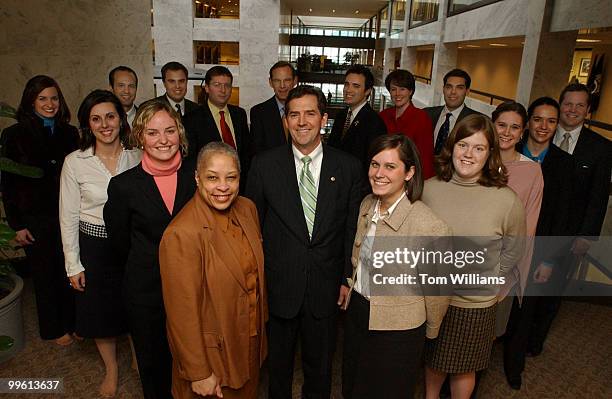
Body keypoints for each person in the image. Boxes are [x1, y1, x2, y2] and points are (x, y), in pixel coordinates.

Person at [246, 85, 362, 399]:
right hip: (279, 284)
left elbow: (352, 228)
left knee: (320, 367)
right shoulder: (264, 165)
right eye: (293, 114)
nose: (301, 121)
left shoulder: (349, 167)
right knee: (278, 370)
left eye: (310, 113)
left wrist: (346, 278)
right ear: (285, 121)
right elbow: (251, 226)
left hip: (326, 286)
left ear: (324, 118)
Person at [422, 114, 526, 399]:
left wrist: (491, 279)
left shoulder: (506, 200)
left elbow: (515, 248)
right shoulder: (428, 190)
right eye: (463, 145)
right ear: (452, 146)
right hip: (432, 299)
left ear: (490, 153)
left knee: (464, 368)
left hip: (475, 304)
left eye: (478, 148)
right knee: (433, 364)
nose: (468, 154)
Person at [342, 134, 451, 399]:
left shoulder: (429, 225)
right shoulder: (367, 204)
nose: (379, 174)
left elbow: (438, 291)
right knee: (353, 385)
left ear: (410, 172)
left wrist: (431, 330)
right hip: (358, 313)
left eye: (390, 167)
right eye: (374, 164)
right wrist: (351, 284)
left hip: (399, 330)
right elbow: (360, 256)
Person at [159, 142, 266, 399]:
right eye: (212, 178)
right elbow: (181, 314)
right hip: (211, 354)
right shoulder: (181, 234)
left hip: (248, 340)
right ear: (197, 178)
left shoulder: (247, 209)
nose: (222, 187)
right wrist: (199, 372)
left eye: (231, 177)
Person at [104, 101, 196, 398]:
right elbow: (119, 243)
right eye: (153, 133)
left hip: (195, 287)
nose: (163, 140)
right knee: (153, 365)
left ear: (180, 134)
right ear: (140, 137)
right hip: (146, 291)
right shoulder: (123, 186)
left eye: (170, 131)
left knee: (195, 360)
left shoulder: (199, 178)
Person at [59, 89, 142, 397]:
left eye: (110, 116)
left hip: (132, 246)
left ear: (121, 119)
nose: (105, 125)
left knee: (136, 305)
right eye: (96, 119)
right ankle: (111, 368)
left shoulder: (138, 155)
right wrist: (73, 264)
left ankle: (138, 357)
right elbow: (67, 217)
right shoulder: (75, 162)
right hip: (94, 247)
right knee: (100, 311)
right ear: (87, 125)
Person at [1, 75, 78, 345]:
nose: (50, 104)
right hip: (35, 218)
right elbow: (8, 184)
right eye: (42, 98)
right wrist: (17, 224)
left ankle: (74, 322)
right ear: (31, 100)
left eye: (54, 98)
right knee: (46, 276)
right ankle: (54, 328)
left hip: (67, 214)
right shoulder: (14, 134)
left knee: (70, 270)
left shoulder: (70, 133)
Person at [504, 97, 575, 390]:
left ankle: (513, 366)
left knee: (525, 311)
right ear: (527, 124)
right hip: (506, 246)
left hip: (540, 248)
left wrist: (548, 259)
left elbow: (563, 218)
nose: (543, 126)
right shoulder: (508, 154)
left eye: (550, 121)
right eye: (537, 119)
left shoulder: (564, 164)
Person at [491, 101, 543, 332]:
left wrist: (504, 266)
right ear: (491, 126)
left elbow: (528, 225)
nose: (506, 132)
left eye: (514, 127)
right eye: (501, 125)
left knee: (490, 331)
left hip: (505, 260)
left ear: (522, 133)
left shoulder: (532, 171)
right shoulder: (473, 161)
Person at [555, 84, 611, 255]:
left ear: (587, 110)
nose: (573, 110)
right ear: (560, 106)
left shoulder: (602, 147)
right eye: (568, 104)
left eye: (580, 105)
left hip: (571, 233)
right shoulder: (540, 134)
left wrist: (586, 235)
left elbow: (599, 195)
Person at [182, 66, 251, 187]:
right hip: (210, 187)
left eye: (227, 85)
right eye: (217, 85)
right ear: (207, 88)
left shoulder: (239, 114)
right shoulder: (192, 119)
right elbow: (191, 160)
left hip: (240, 185)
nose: (223, 90)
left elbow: (246, 153)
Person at [328, 64, 387, 170]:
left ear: (368, 91)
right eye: (346, 84)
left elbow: (374, 163)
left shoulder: (374, 122)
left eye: (356, 86)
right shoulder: (341, 116)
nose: (348, 90)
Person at [379, 69, 435, 178]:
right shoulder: (383, 115)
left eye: (402, 89)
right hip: (384, 174)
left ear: (411, 91)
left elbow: (425, 157)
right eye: (393, 89)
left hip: (410, 178)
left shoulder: (421, 118)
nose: (397, 94)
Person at [424, 68, 480, 155]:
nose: (453, 92)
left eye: (459, 88)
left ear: (467, 91)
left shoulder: (476, 120)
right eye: (449, 87)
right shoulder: (426, 114)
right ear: (443, 89)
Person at [250, 61, 298, 153]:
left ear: (294, 81)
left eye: (287, 80)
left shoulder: (304, 110)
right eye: (277, 81)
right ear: (270, 82)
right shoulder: (259, 113)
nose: (282, 86)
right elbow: (256, 152)